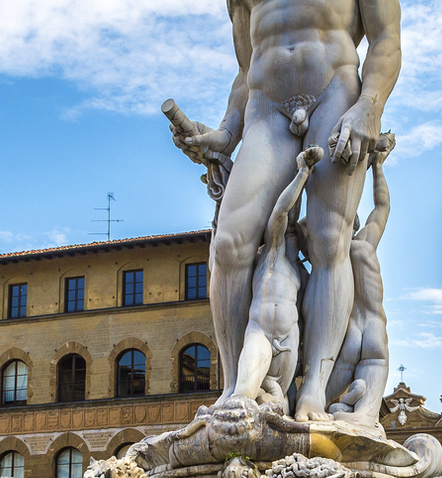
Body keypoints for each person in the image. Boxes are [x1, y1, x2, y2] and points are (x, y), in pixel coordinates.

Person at [172, 0, 401, 421]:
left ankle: (314, 389)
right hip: (265, 108)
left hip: (336, 93)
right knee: (229, 244)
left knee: (329, 240)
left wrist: (370, 105)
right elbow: (247, 69)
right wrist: (226, 131)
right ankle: (236, 391)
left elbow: (386, 39)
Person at [219, 146, 320, 409]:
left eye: (296, 234)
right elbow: (280, 213)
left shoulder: (302, 275)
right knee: (243, 396)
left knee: (280, 407)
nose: (293, 236)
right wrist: (303, 173)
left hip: (289, 342)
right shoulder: (271, 254)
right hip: (260, 335)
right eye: (292, 233)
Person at [327, 133, 394, 426]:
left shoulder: (330, 253)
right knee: (367, 411)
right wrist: (377, 164)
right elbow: (382, 207)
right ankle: (361, 410)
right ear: (356, 222)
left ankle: (338, 403)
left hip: (349, 333)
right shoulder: (365, 243)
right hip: (375, 326)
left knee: (319, 401)